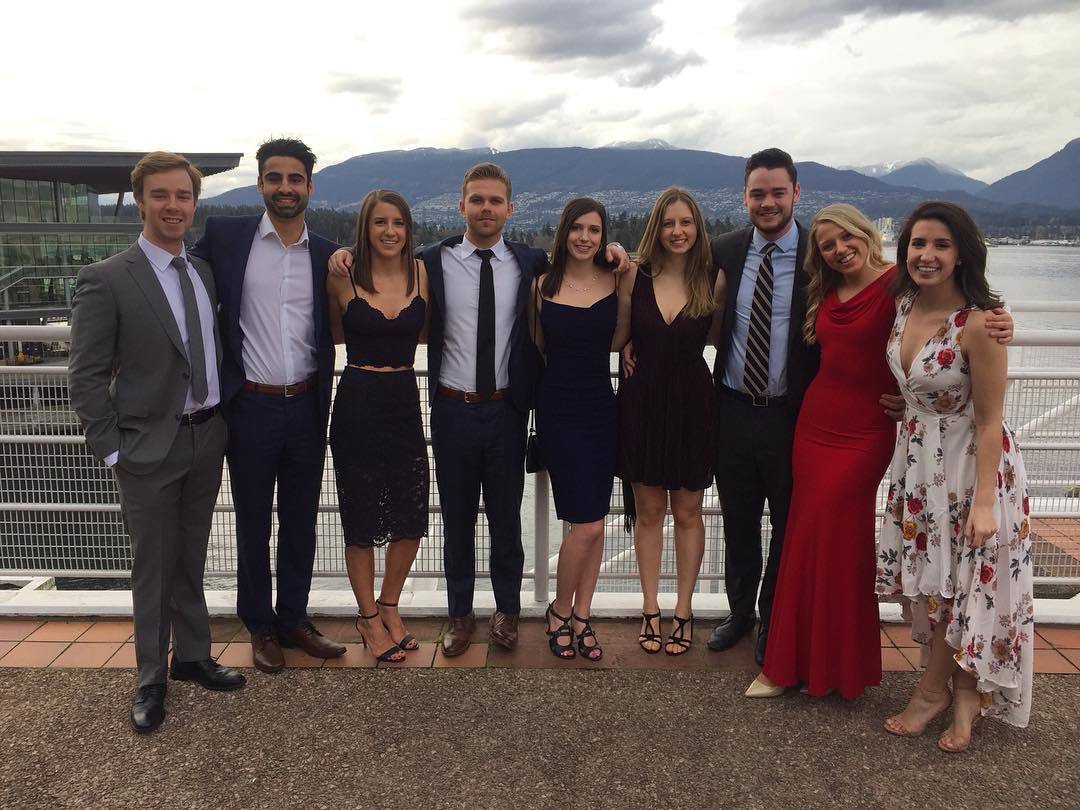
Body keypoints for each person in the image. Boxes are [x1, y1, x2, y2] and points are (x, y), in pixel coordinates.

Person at [330, 164, 629, 656]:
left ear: (510, 208)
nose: (486, 208)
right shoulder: (431, 261)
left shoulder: (532, 263)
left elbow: (585, 266)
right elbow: (380, 260)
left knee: (507, 520)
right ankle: (460, 615)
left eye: (494, 201)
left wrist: (615, 250)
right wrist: (342, 253)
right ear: (462, 205)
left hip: (507, 409)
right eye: (477, 200)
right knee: (457, 519)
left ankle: (507, 612)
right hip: (452, 408)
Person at [743, 204, 1013, 699]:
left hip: (865, 432)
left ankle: (837, 668)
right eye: (827, 245)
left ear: (866, 234)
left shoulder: (898, 286)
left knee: (841, 538)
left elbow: (953, 313)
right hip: (814, 426)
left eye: (847, 237)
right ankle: (789, 662)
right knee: (803, 535)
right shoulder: (823, 288)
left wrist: (1001, 322)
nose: (839, 249)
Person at [68, 151, 245, 733]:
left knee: (191, 555)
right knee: (153, 567)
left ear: (195, 203)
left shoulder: (202, 273)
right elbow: (86, 376)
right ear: (140, 201)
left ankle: (192, 655)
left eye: (183, 196)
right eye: (161, 195)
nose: (173, 205)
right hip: (146, 448)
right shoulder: (107, 278)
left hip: (206, 437)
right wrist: (111, 449)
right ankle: (150, 676)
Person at [877, 201, 1033, 753]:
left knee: (958, 583)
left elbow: (990, 420)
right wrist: (910, 403)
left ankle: (932, 694)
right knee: (945, 582)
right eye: (918, 243)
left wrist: (985, 503)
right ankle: (965, 693)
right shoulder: (903, 304)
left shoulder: (980, 324)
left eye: (941, 245)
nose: (927, 254)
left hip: (970, 471)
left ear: (963, 253)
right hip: (921, 468)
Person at [191, 138, 345, 673]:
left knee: (301, 521)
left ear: (309, 187)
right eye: (275, 178)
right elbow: (176, 284)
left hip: (306, 406)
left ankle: (294, 619)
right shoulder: (225, 237)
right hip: (250, 406)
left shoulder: (328, 254)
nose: (285, 187)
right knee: (253, 522)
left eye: (295, 179)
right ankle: (259, 625)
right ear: (260, 183)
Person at [617, 187, 725, 656]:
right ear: (655, 228)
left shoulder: (712, 279)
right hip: (641, 401)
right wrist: (625, 345)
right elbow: (618, 334)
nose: (677, 231)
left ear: (697, 227)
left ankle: (683, 608)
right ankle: (650, 608)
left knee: (687, 513)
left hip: (692, 405)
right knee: (648, 513)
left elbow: (724, 341)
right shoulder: (633, 275)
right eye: (668, 222)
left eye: (685, 222)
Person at [326, 190, 429, 663]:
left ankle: (389, 604)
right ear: (365, 229)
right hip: (357, 405)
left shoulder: (422, 272)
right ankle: (367, 617)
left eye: (399, 223)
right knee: (361, 518)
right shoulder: (341, 275)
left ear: (408, 229)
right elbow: (331, 333)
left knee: (411, 515)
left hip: (404, 402)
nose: (390, 231)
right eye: (380, 222)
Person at [530, 198, 623, 661]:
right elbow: (536, 347)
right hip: (558, 409)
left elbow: (625, 335)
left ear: (604, 236)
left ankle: (582, 615)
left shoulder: (617, 278)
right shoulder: (540, 286)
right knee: (584, 525)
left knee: (596, 522)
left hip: (602, 408)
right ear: (564, 231)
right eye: (577, 228)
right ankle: (559, 610)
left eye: (594, 230)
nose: (585, 237)